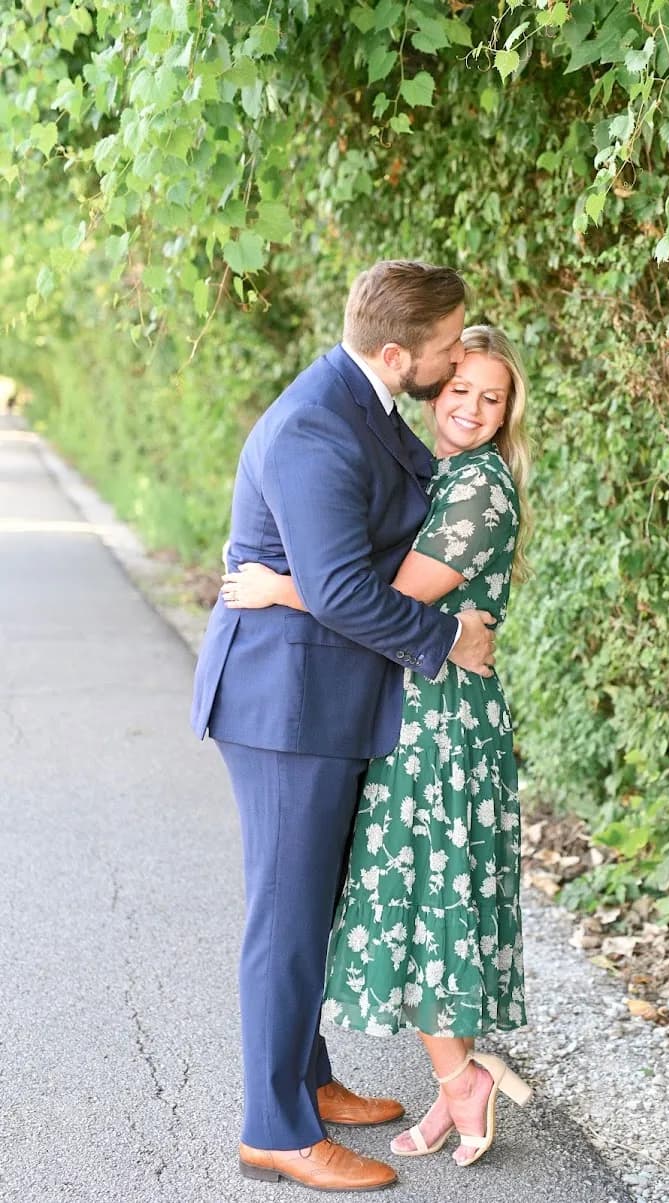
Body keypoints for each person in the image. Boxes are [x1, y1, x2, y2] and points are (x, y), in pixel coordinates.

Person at [190, 262, 499, 1192]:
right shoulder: (316, 426)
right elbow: (339, 589)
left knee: (309, 906)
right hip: (284, 703)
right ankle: (274, 1130)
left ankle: (307, 1080)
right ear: (397, 350)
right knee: (285, 921)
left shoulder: (361, 397)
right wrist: (451, 638)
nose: (454, 367)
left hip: (322, 693)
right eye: (447, 350)